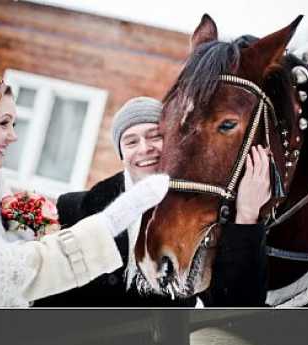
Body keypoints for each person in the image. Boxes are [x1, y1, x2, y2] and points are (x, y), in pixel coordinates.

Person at [0, 70, 168, 307]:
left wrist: (21, 232)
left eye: (15, 124)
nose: (13, 136)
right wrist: (110, 223)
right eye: (3, 123)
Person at [45, 91, 271, 307]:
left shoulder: (201, 218)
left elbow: (238, 304)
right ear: (122, 154)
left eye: (155, 136)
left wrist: (246, 217)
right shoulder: (73, 209)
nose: (145, 148)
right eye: (131, 142)